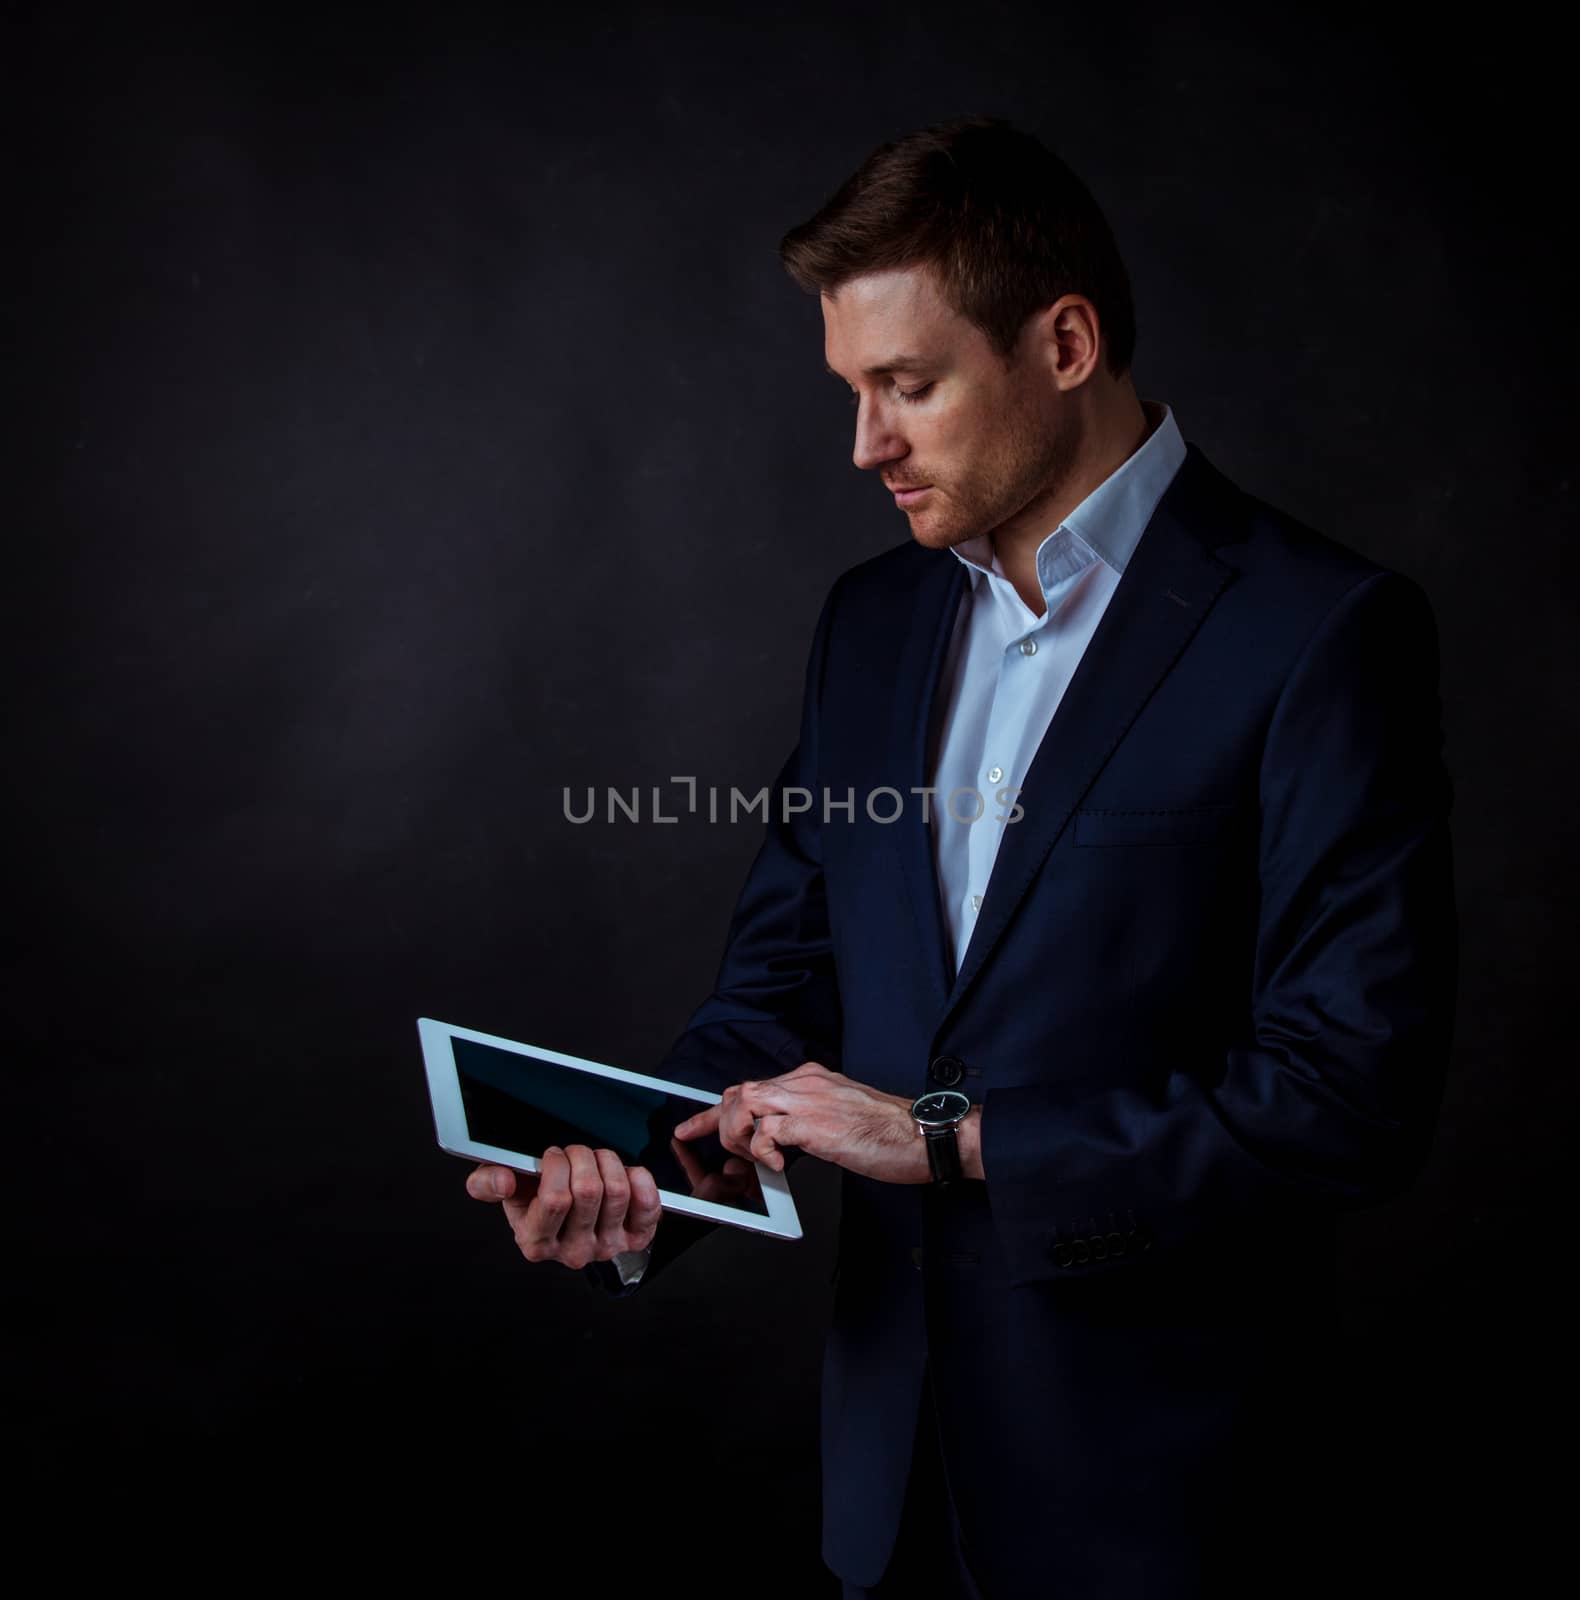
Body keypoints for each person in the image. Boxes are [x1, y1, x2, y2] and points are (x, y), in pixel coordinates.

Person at [466, 114, 1458, 1598]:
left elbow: (1346, 1099)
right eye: (852, 391)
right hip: (891, 1498)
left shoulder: (1316, 632)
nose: (864, 443)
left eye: (906, 386)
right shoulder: (871, 624)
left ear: (1064, 343)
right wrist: (634, 1193)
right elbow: (781, 994)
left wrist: (946, 1141)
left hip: (1174, 1512)